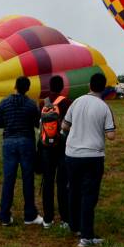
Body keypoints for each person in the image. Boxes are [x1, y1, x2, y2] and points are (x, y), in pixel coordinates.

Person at [63, 73, 116, 247]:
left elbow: (64, 125)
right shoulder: (104, 107)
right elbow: (111, 135)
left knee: (74, 190)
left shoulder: (76, 102)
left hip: (72, 154)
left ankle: (75, 226)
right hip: (93, 156)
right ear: (104, 88)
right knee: (89, 194)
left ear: (89, 85)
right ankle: (86, 236)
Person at [0, 77, 43, 226]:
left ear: (15, 86)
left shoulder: (4, 102)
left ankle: (4, 215)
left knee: (8, 179)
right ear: (27, 89)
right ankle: (29, 215)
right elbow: (37, 124)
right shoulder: (30, 104)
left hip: (9, 142)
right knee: (28, 179)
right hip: (26, 142)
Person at [38, 75, 71, 229]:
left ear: (49, 86)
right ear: (62, 87)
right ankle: (64, 218)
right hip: (62, 146)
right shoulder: (66, 102)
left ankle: (48, 218)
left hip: (45, 147)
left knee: (48, 181)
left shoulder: (42, 103)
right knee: (62, 182)